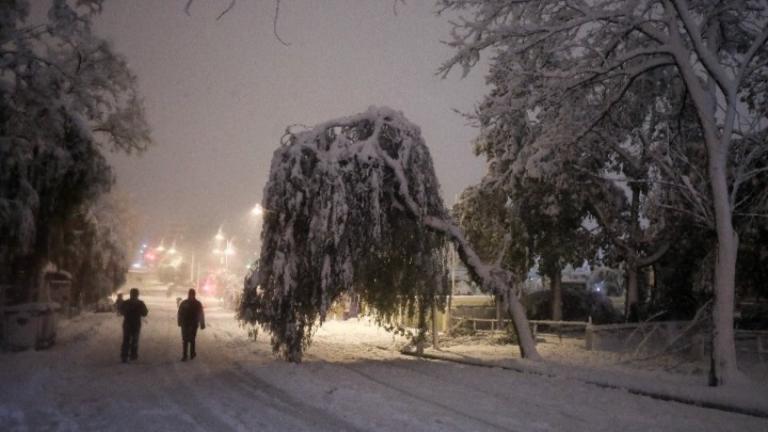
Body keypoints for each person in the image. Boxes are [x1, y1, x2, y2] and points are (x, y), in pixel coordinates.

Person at [120, 288, 148, 363]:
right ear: (137, 295)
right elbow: (145, 313)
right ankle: (133, 355)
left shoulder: (126, 302)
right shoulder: (140, 303)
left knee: (126, 340)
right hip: (136, 324)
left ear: (130, 294)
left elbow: (121, 311)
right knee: (134, 340)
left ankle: (124, 356)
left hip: (127, 323)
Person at [177, 289, 205, 361]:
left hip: (187, 324)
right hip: (192, 324)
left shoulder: (184, 303)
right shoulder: (198, 303)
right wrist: (202, 324)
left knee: (188, 339)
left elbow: (180, 313)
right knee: (189, 339)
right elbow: (201, 314)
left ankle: (186, 355)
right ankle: (190, 354)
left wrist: (179, 322)